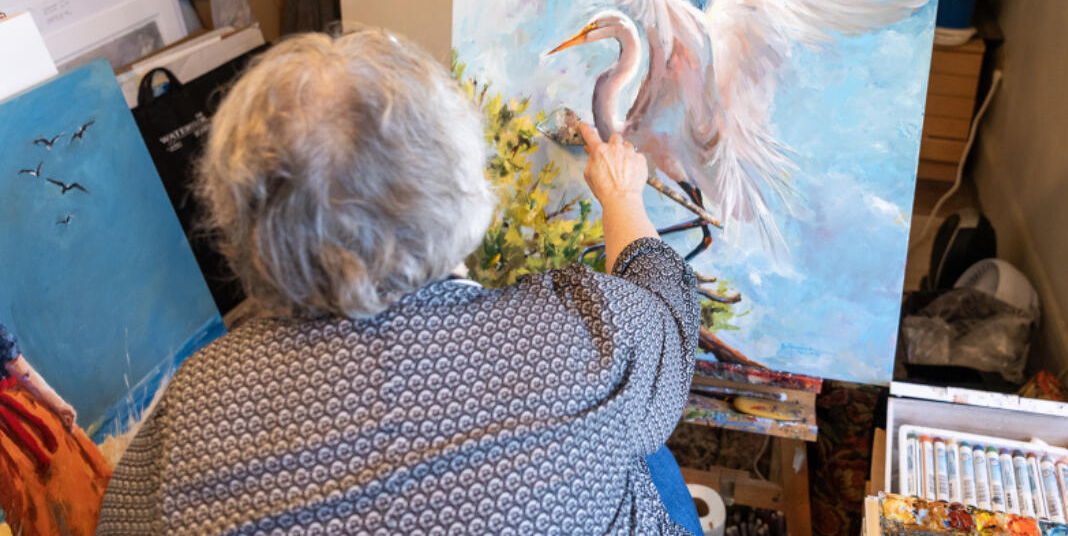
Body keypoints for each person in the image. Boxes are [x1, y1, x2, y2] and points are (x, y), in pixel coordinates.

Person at [97, 29, 703, 535]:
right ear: (463, 182)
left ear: (240, 220)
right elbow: (667, 318)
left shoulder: (196, 411)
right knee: (651, 460)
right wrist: (623, 198)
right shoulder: (580, 341)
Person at [0, 320, 112, 536]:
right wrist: (58, 404)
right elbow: (22, 371)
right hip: (24, 417)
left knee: (26, 506)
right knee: (70, 479)